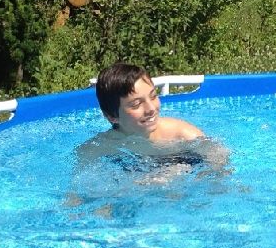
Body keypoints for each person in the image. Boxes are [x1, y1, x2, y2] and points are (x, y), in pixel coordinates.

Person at [77, 62, 228, 176]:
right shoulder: (98, 148)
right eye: (136, 104)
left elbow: (220, 160)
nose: (151, 109)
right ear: (112, 116)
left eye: (153, 96)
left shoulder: (181, 135)